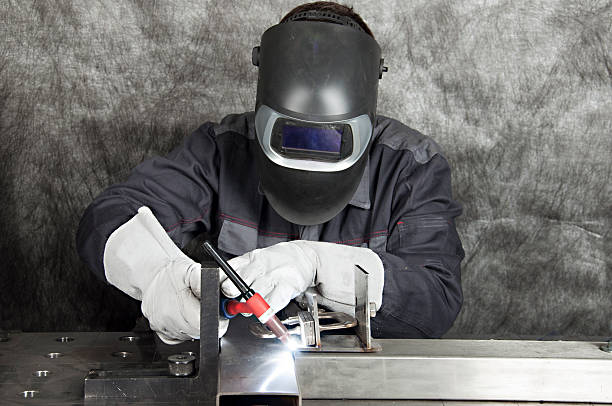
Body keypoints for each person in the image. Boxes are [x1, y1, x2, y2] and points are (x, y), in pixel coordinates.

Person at [76, 2, 464, 344]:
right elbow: (108, 216)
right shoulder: (221, 149)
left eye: (329, 138)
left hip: (357, 376)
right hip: (239, 370)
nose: (311, 150)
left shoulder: (410, 166)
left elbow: (437, 298)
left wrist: (318, 264)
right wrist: (156, 275)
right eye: (293, 134)